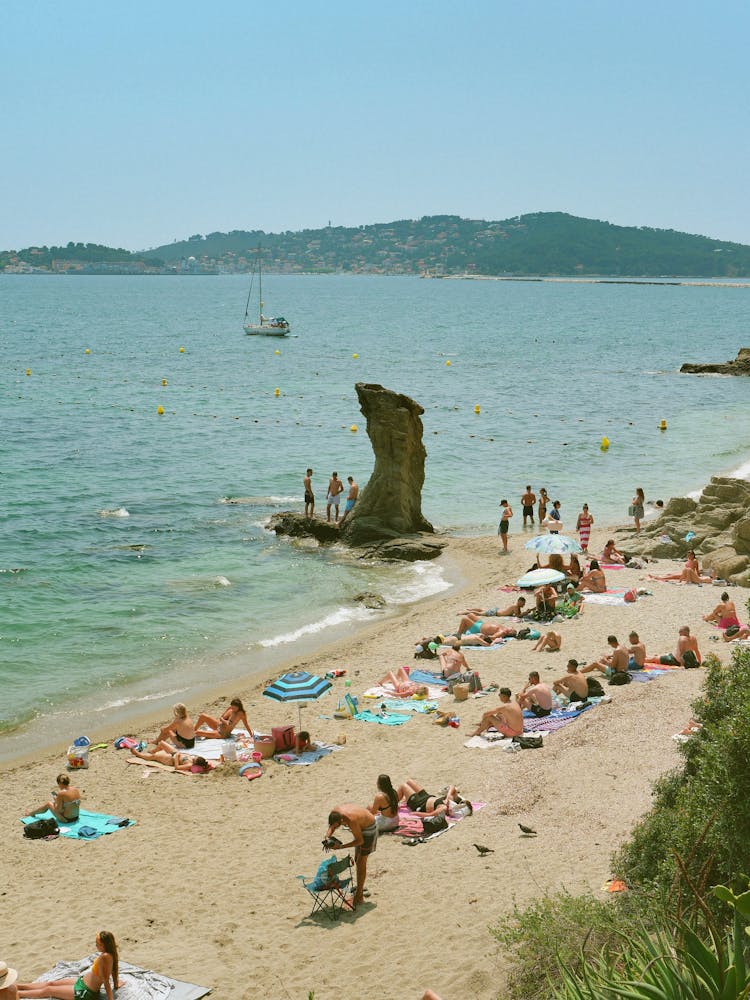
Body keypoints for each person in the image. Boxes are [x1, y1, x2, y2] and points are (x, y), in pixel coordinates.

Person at [17, 931, 120, 1000]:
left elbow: (106, 980)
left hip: (84, 992)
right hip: (82, 981)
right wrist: (116, 984)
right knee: (51, 983)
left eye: (98, 944)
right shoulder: (110, 954)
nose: (96, 945)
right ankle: (19, 986)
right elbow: (114, 970)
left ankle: (18, 994)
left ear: (104, 945)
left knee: (49, 990)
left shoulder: (105, 957)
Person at [324, 804, 378, 907]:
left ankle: (359, 896)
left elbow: (360, 840)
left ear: (341, 821)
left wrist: (340, 847)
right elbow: (332, 826)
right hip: (360, 826)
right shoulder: (335, 813)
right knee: (357, 860)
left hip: (369, 828)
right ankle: (359, 889)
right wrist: (327, 837)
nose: (336, 828)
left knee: (361, 862)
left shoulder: (351, 820)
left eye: (337, 826)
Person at [395, 780, 472, 819]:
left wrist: (414, 814)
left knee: (403, 786)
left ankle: (392, 806)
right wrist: (448, 796)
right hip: (427, 796)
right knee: (409, 781)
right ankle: (406, 798)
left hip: (419, 804)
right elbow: (452, 787)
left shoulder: (443, 808)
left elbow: (429, 815)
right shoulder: (450, 800)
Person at [456, 597, 526, 633]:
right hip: (495, 613)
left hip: (496, 610)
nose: (524, 605)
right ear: (519, 602)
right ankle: (463, 613)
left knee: (482, 610)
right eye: (523, 603)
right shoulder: (515, 606)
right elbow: (517, 616)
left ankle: (470, 609)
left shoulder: (517, 606)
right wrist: (526, 613)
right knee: (480, 613)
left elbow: (518, 614)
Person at [649, 550, 714, 585]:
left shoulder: (695, 561)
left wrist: (698, 576)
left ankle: (658, 578)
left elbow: (696, 570)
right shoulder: (688, 560)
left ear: (693, 555)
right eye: (687, 555)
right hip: (685, 573)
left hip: (690, 574)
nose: (688, 556)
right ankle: (659, 577)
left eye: (689, 555)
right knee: (671, 575)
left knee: (673, 576)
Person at [130, 745, 211, 773]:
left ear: (196, 762)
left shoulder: (189, 765)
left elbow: (177, 767)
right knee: (162, 743)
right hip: (175, 753)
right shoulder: (192, 759)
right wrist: (178, 753)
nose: (194, 757)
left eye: (195, 758)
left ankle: (138, 754)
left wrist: (176, 757)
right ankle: (152, 751)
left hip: (171, 759)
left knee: (154, 756)